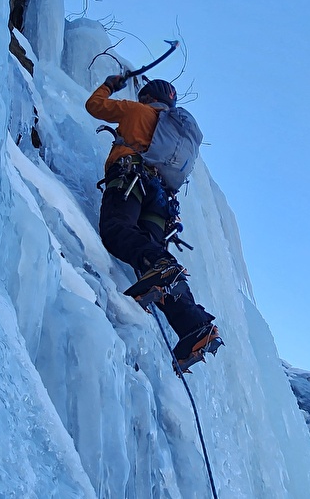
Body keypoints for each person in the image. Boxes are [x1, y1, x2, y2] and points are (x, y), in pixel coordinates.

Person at [86, 75, 222, 371]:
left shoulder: (136, 111)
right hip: (160, 201)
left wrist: (110, 85)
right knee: (156, 268)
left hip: (130, 178)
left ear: (147, 97)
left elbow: (94, 106)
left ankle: (162, 267)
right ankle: (195, 326)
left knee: (116, 230)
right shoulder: (172, 132)